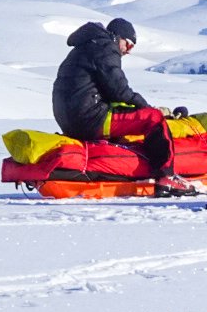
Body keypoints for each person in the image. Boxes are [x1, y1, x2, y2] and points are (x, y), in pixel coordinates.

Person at [51, 17, 191, 196]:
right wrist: (148, 108)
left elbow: (108, 92)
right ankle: (166, 177)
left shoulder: (86, 46)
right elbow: (119, 90)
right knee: (153, 119)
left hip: (71, 120)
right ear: (118, 38)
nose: (128, 51)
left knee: (128, 124)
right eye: (129, 45)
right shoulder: (106, 47)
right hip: (91, 118)